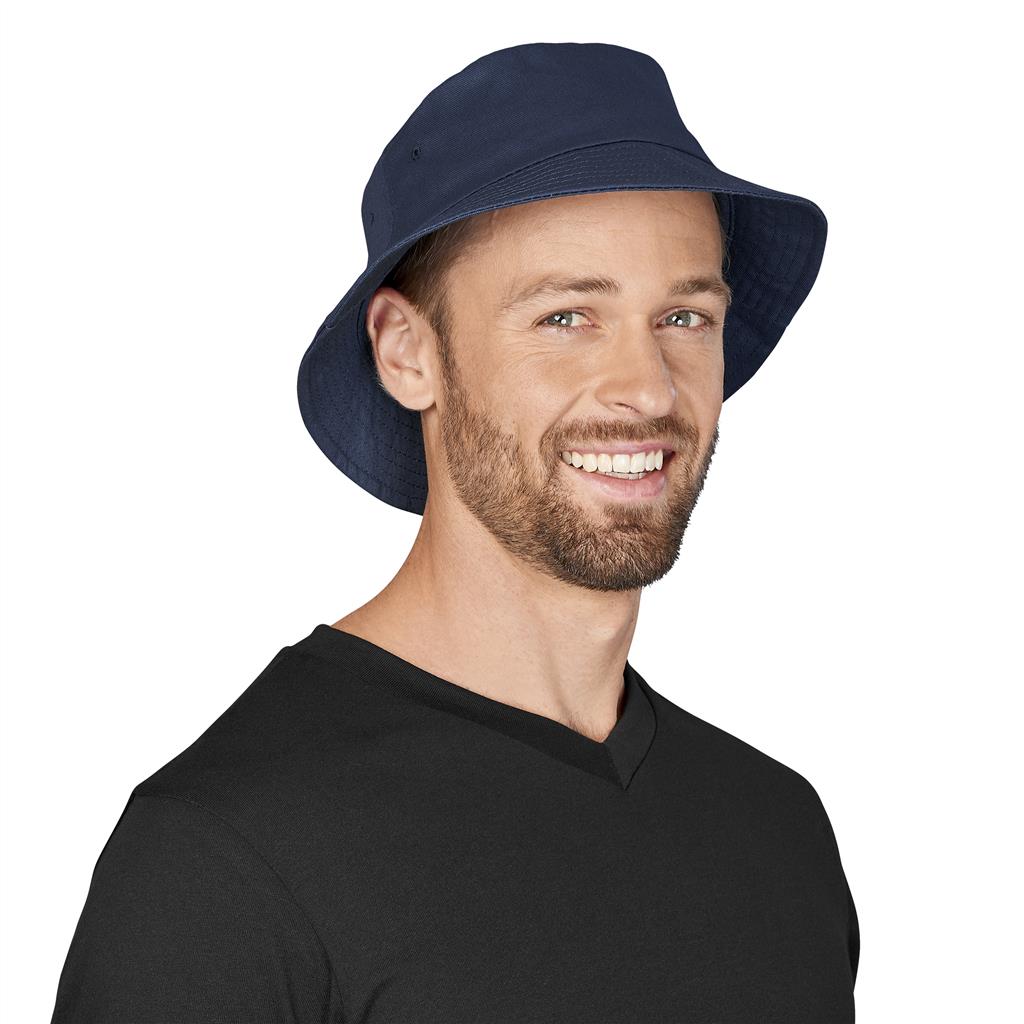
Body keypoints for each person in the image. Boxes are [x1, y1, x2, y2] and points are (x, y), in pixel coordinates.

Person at [49, 42, 859, 1023]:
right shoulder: (225, 858)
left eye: (684, 316)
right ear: (407, 353)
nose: (648, 388)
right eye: (567, 317)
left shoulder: (775, 831)